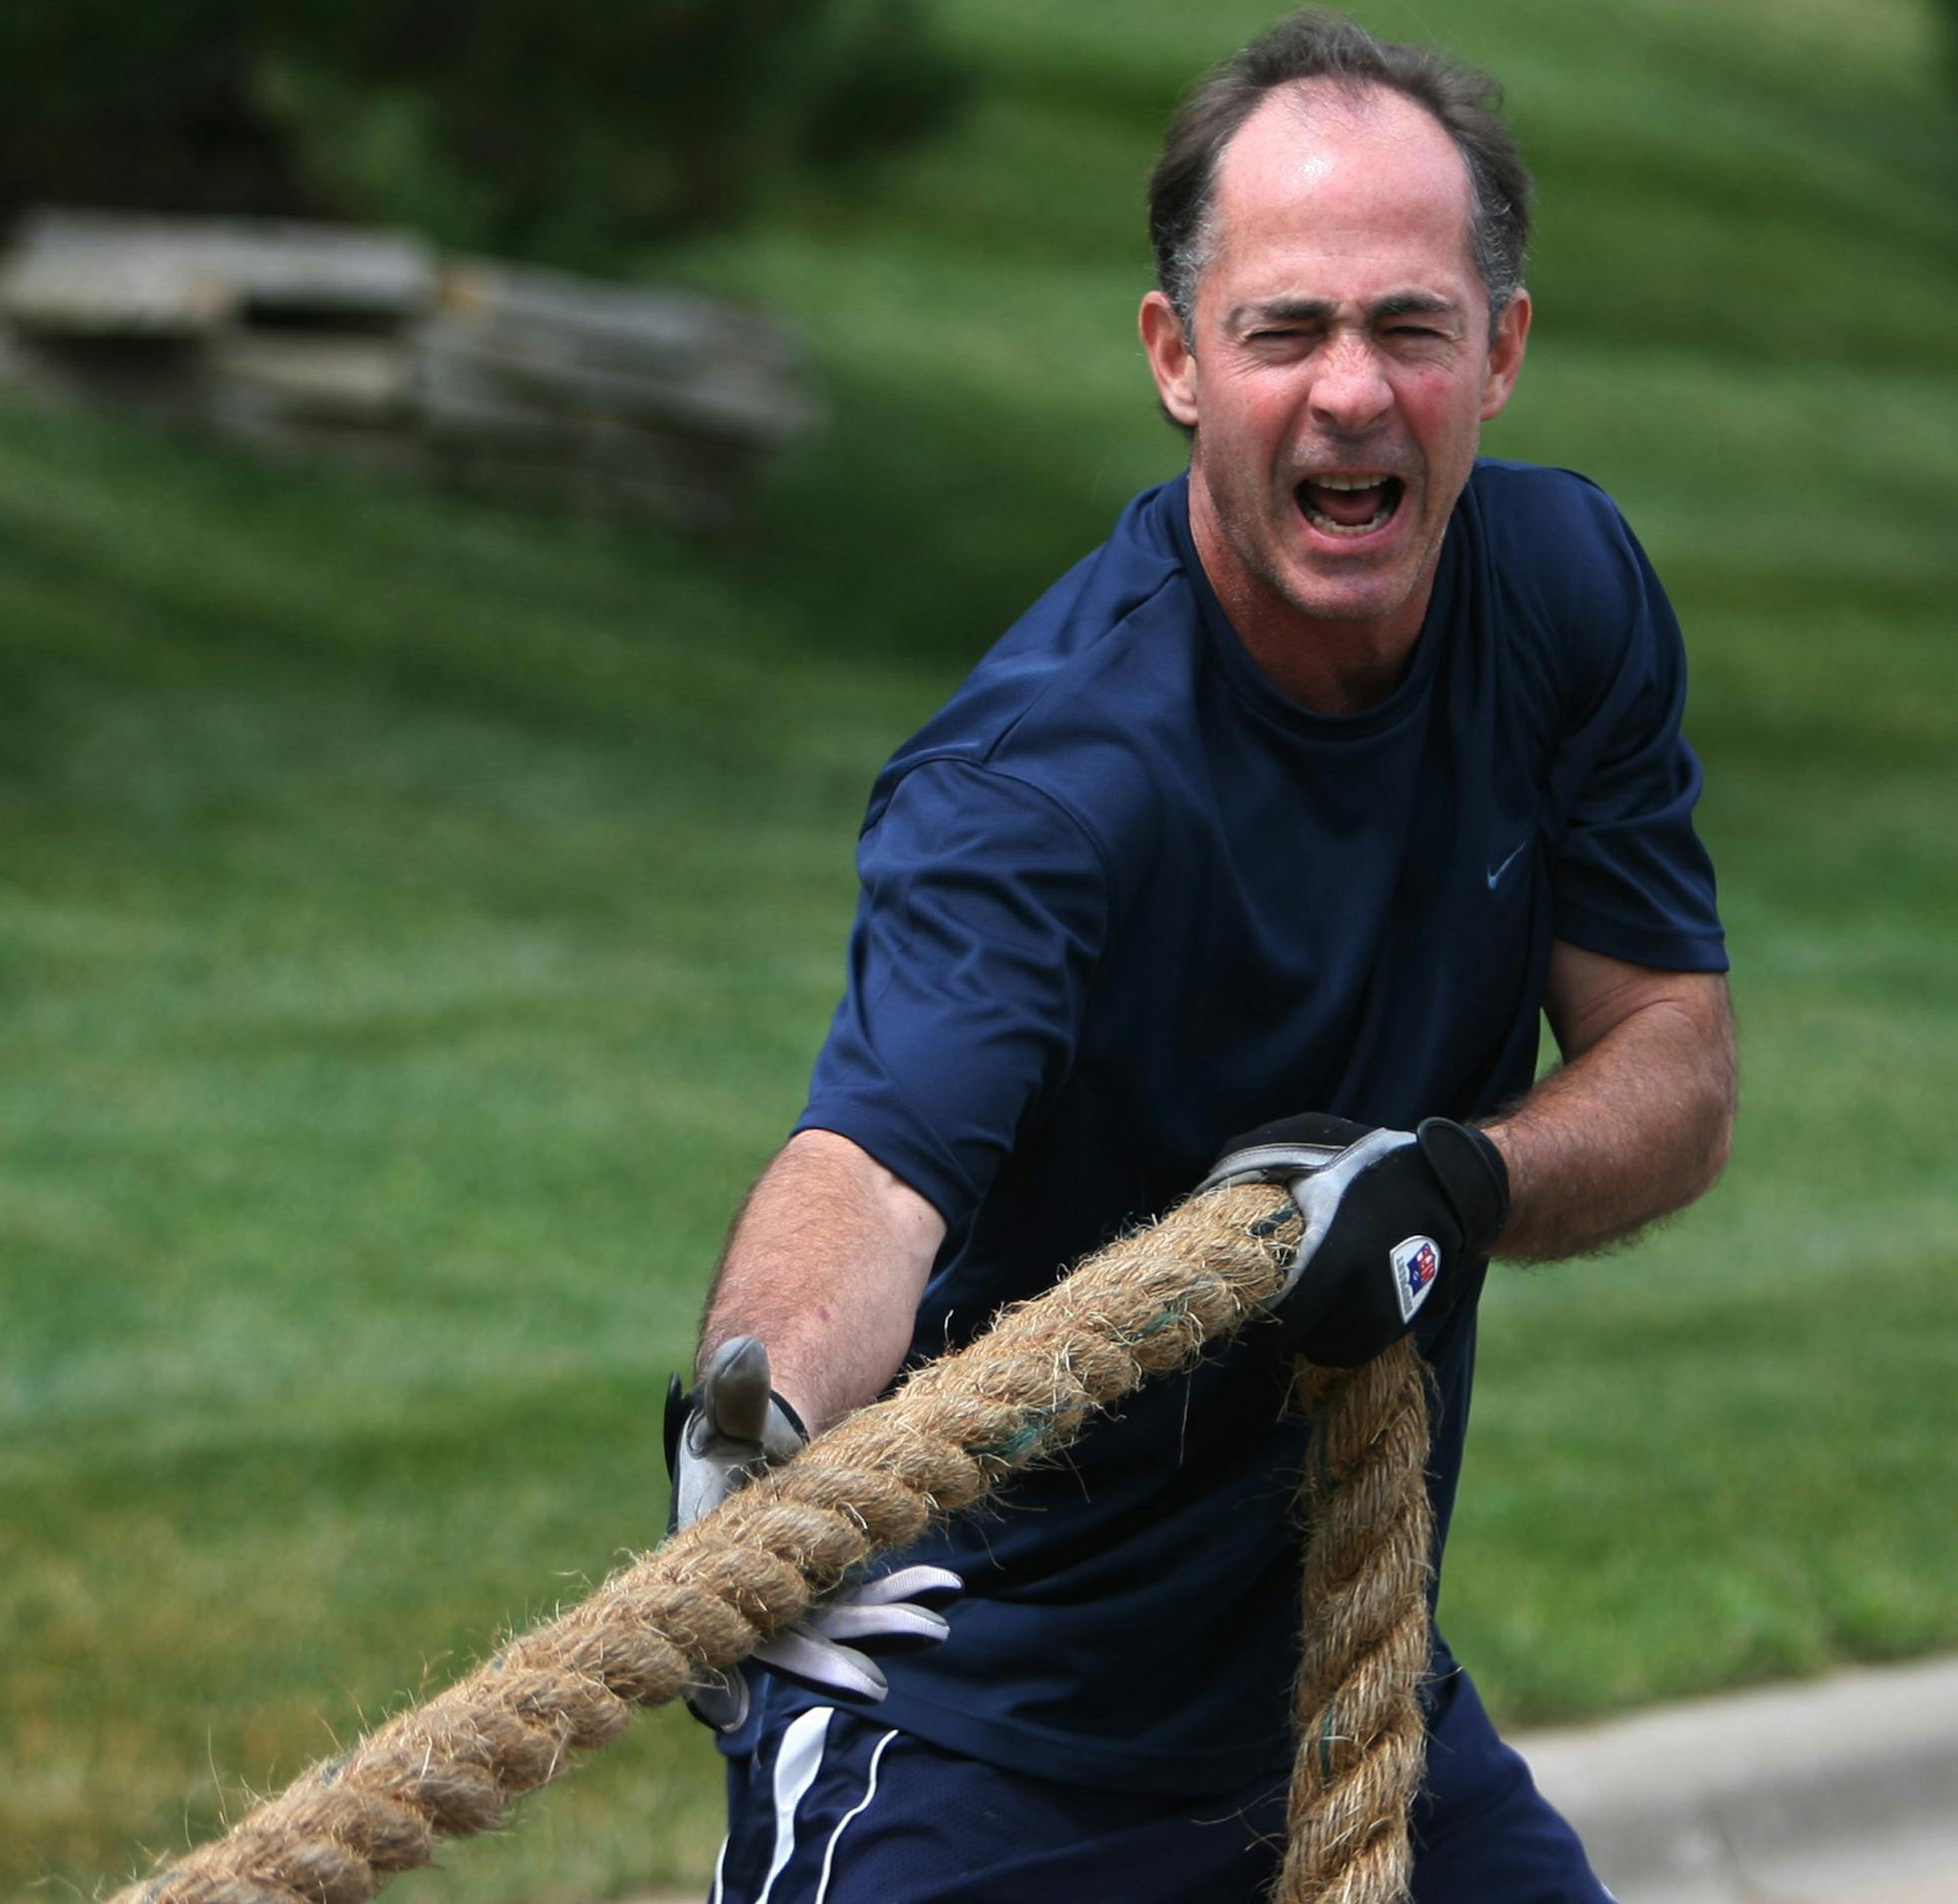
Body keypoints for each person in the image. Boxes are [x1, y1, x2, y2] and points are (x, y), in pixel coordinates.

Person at [667, 13, 1737, 1900]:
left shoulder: (1564, 599)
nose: (1352, 392)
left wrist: (1455, 1183)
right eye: (1285, 329)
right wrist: (753, 1430)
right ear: (1178, 359)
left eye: (1411, 326)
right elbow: (876, 1169)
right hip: (975, 1725)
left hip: (1342, 1708)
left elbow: (1671, 1057)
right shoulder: (1048, 779)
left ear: (1501, 348)